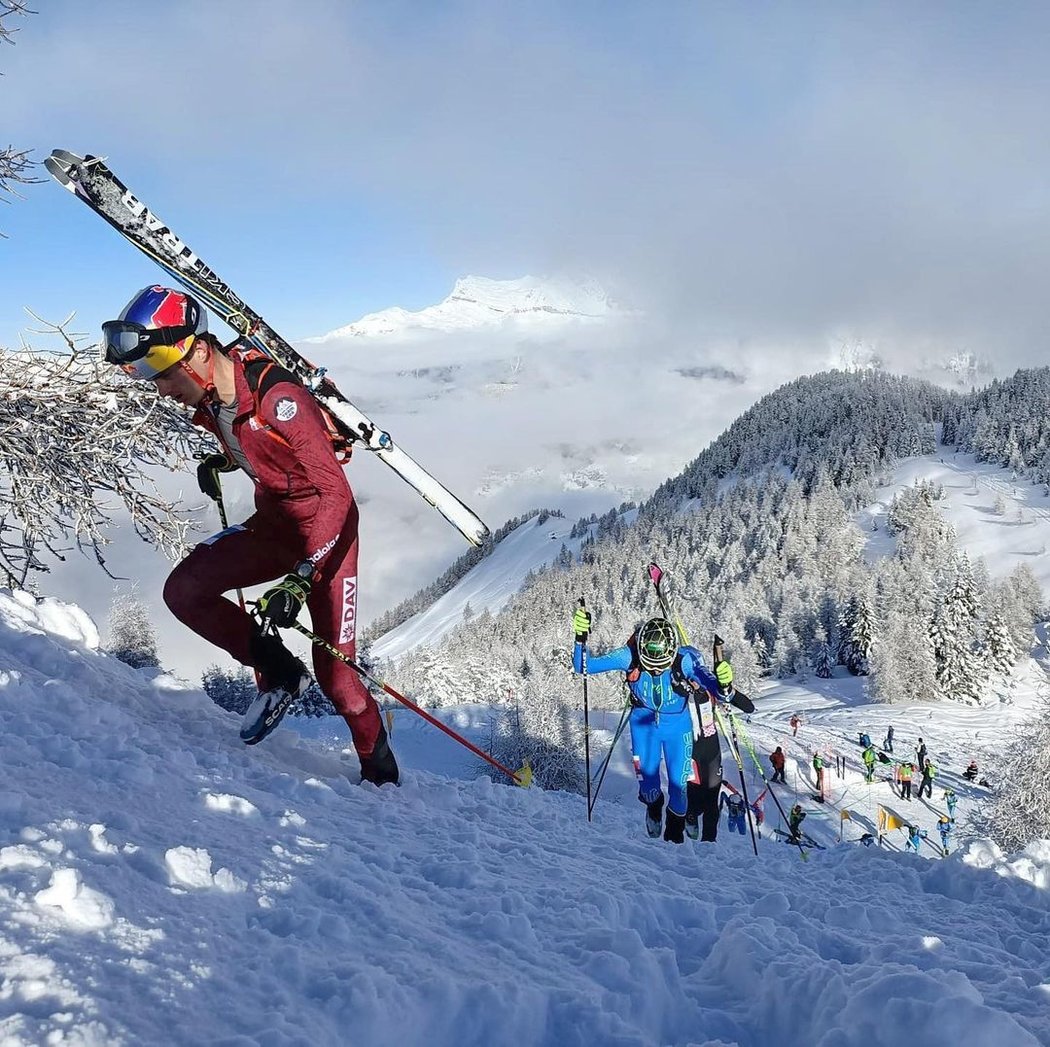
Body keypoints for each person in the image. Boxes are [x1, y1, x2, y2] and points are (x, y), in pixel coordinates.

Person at [101, 286, 399, 785]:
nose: (163, 390)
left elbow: (335, 495)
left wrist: (303, 577)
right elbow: (263, 448)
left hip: (329, 531)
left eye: (165, 374)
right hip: (275, 524)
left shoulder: (279, 398)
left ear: (196, 351)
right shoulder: (214, 398)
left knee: (339, 678)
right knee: (185, 591)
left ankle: (380, 771)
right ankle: (279, 671)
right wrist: (228, 459)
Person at [572, 615, 737, 844]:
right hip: (644, 728)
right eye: (651, 666)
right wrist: (581, 638)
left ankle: (674, 838)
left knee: (679, 788)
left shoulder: (685, 660)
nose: (657, 670)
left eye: (662, 666)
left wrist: (725, 683)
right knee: (648, 787)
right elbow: (583, 666)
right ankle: (654, 807)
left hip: (678, 730)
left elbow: (720, 692)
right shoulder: (628, 656)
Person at [684, 644, 755, 841]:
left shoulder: (704, 678)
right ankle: (690, 819)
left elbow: (748, 706)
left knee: (712, 802)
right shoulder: (674, 683)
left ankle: (709, 844)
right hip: (689, 749)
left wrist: (727, 686)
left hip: (711, 748)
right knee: (694, 797)